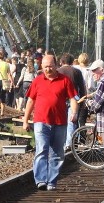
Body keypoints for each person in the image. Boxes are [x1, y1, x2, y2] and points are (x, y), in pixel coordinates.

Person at [22, 55, 79, 191]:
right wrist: (25, 120)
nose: (48, 69)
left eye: (50, 66)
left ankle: (52, 181)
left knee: (57, 153)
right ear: (42, 67)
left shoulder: (64, 80)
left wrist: (74, 113)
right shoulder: (37, 81)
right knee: (42, 149)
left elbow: (73, 98)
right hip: (41, 121)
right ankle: (41, 180)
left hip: (60, 121)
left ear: (56, 65)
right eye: (45, 67)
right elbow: (30, 101)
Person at [57, 53, 87, 149]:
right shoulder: (76, 71)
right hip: (74, 99)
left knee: (61, 122)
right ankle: (69, 145)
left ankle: (61, 143)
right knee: (71, 122)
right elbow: (82, 87)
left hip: (60, 99)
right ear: (72, 62)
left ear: (61, 62)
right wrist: (83, 100)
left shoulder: (58, 71)